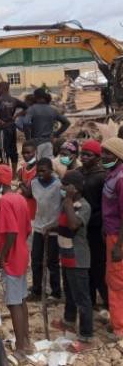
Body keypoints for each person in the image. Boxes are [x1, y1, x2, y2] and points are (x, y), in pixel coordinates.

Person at [0, 164, 31, 359]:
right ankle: (27, 341)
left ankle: (21, 349)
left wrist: (1, 257)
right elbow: (26, 229)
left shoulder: (5, 201)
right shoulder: (21, 199)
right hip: (23, 254)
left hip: (12, 259)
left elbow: (11, 233)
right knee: (22, 299)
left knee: (14, 303)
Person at [51, 170, 94, 348]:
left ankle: (86, 335)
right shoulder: (67, 204)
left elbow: (73, 224)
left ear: (74, 188)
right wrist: (49, 227)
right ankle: (69, 321)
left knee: (82, 298)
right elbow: (61, 222)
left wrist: (68, 200)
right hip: (66, 255)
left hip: (78, 258)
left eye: (65, 185)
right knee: (69, 292)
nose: (61, 187)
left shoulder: (83, 206)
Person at [26, 158, 63, 303]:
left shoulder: (58, 185)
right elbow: (29, 194)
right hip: (39, 227)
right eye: (38, 171)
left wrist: (56, 225)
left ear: (51, 170)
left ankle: (56, 292)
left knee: (52, 262)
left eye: (43, 171)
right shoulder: (34, 183)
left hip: (53, 229)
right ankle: (37, 289)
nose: (40, 174)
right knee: (36, 260)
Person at [78, 139, 108, 309]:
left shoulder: (102, 176)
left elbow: (105, 205)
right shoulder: (79, 172)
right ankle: (90, 300)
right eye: (82, 154)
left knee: (98, 266)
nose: (84, 157)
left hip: (96, 228)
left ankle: (107, 302)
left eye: (88, 155)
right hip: (81, 228)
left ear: (97, 157)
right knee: (85, 266)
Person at [101, 137, 123, 336]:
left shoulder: (121, 179)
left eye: (108, 153)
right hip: (111, 233)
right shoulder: (113, 174)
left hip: (118, 237)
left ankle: (119, 328)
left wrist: (119, 246)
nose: (104, 156)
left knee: (116, 282)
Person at [0, 82, 27, 173]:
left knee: (3, 151)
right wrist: (17, 115)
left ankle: (6, 172)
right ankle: (13, 173)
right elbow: (26, 107)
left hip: (2, 129)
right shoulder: (14, 100)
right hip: (11, 128)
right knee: (13, 150)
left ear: (2, 88)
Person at [24, 88, 70, 160]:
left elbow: (26, 123)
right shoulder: (52, 110)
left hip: (36, 143)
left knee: (35, 166)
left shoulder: (32, 109)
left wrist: (28, 140)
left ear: (36, 97)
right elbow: (67, 123)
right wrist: (55, 134)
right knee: (46, 165)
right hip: (48, 143)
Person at [17, 140, 39, 220]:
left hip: (33, 209)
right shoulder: (23, 168)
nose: (25, 155)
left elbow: (29, 193)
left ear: (35, 152)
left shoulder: (39, 169)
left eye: (28, 153)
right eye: (23, 153)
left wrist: (20, 183)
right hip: (22, 207)